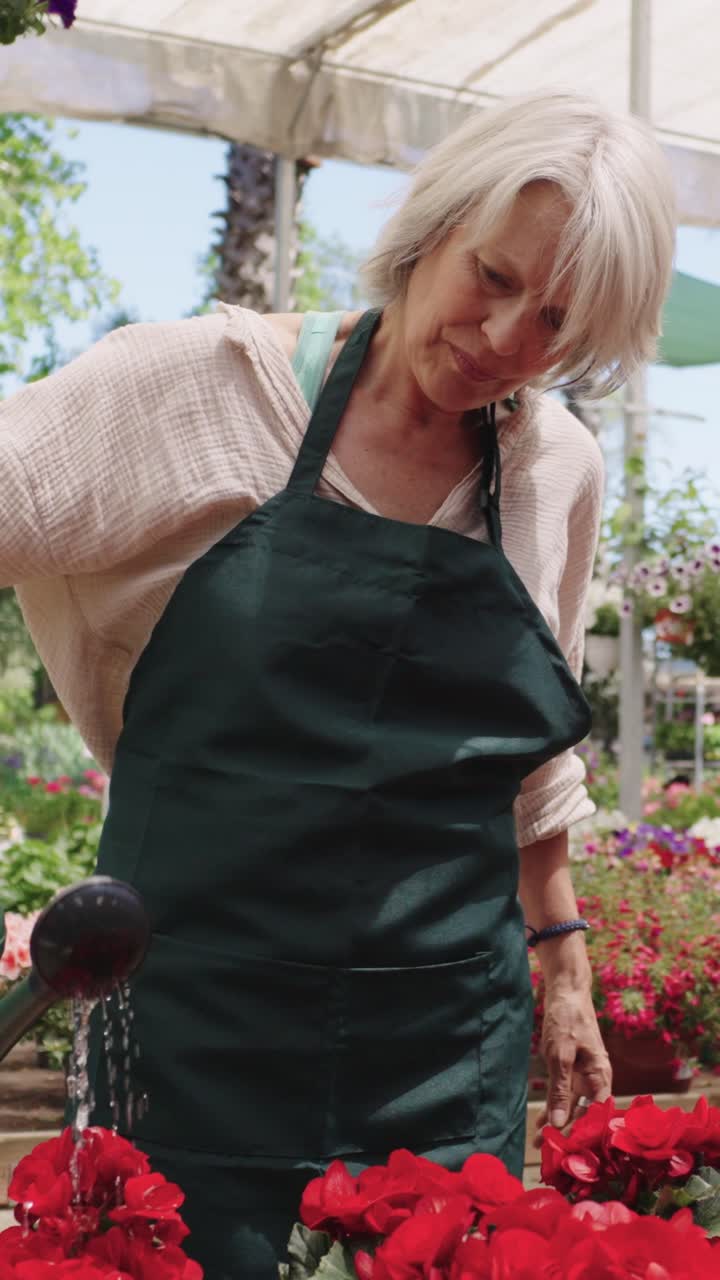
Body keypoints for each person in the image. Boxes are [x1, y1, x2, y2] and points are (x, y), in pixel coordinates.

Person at [0, 90, 676, 1278]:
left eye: (559, 324)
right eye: (495, 276)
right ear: (438, 221)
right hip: (192, 1034)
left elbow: (530, 748)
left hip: (442, 1052)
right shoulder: (205, 394)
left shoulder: (551, 471)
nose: (507, 339)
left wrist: (564, 959)